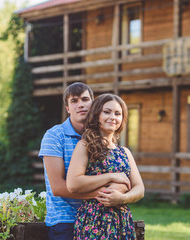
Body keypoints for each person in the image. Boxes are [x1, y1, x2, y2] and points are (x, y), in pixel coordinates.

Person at [39, 83, 130, 240]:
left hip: (100, 216)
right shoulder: (54, 136)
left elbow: (126, 182)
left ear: (94, 104)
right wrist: (108, 195)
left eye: (85, 99)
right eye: (74, 101)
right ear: (67, 108)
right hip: (65, 219)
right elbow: (58, 188)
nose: (80, 104)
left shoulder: (103, 139)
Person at [67, 93, 145, 239]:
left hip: (121, 220)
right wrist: (111, 176)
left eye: (118, 113)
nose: (113, 117)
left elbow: (140, 189)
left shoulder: (125, 152)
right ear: (97, 115)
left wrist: (123, 198)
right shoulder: (85, 146)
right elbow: (73, 184)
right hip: (93, 220)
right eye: (107, 112)